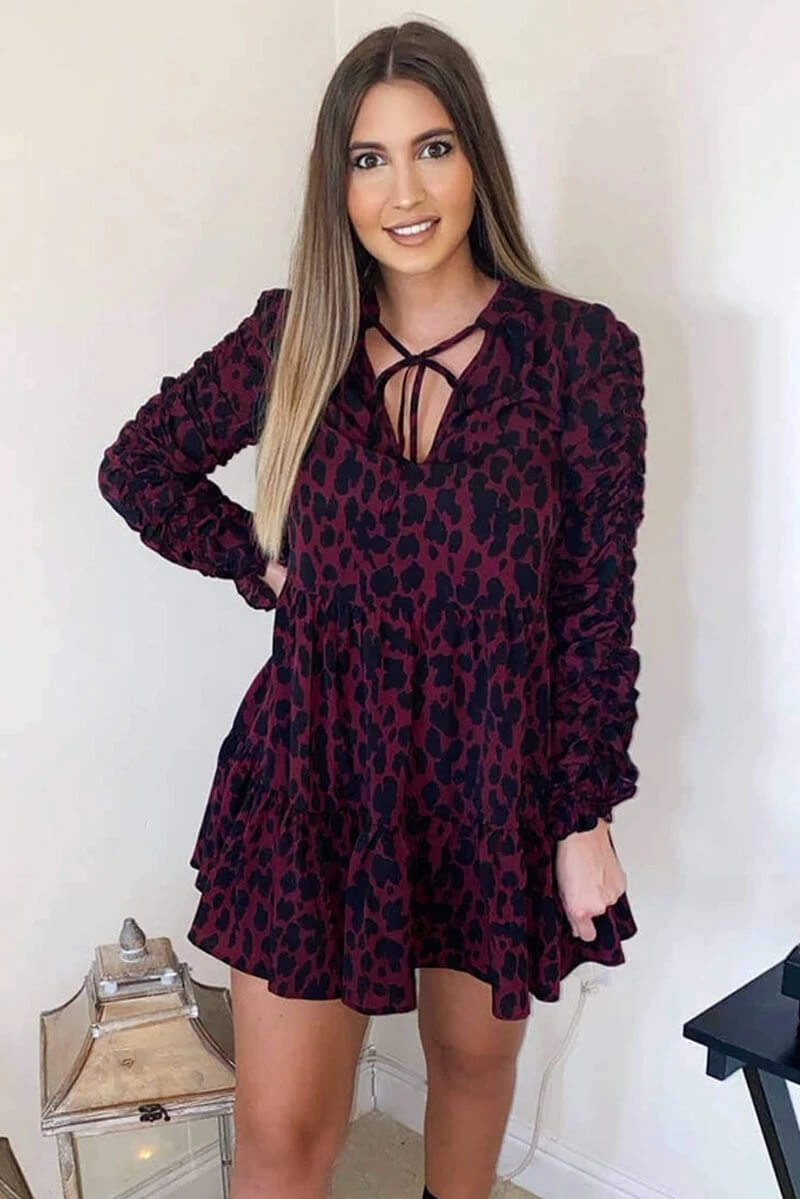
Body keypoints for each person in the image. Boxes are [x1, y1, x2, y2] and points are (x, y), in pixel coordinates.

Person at [97, 18, 646, 1199]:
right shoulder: (293, 335)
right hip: (313, 769)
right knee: (284, 1132)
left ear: (474, 157)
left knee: (469, 1072)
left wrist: (582, 814)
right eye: (368, 158)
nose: (403, 191)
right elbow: (137, 467)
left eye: (431, 147)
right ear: (335, 183)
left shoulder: (581, 356)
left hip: (491, 774)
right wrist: (260, 559)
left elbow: (593, 612)